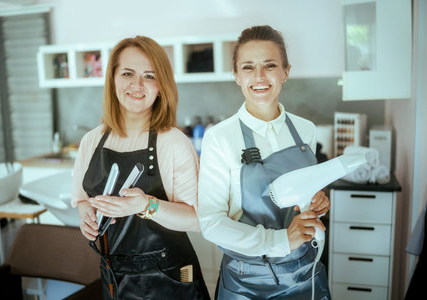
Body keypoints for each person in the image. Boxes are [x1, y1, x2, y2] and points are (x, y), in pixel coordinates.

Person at [198, 25, 332, 299]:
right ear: (236, 75)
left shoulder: (305, 129)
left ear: (286, 71)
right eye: (248, 67)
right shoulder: (219, 138)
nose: (259, 76)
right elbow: (211, 223)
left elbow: (300, 194)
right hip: (247, 281)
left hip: (305, 271)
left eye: (270, 65)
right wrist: (281, 240)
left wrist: (316, 201)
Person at [71, 36, 210, 300]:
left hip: (169, 277)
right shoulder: (91, 141)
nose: (137, 85)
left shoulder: (173, 142)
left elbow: (197, 220)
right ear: (113, 79)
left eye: (149, 75)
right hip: (114, 275)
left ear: (161, 86)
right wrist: (86, 217)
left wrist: (146, 205)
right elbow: (82, 199)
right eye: (127, 73)